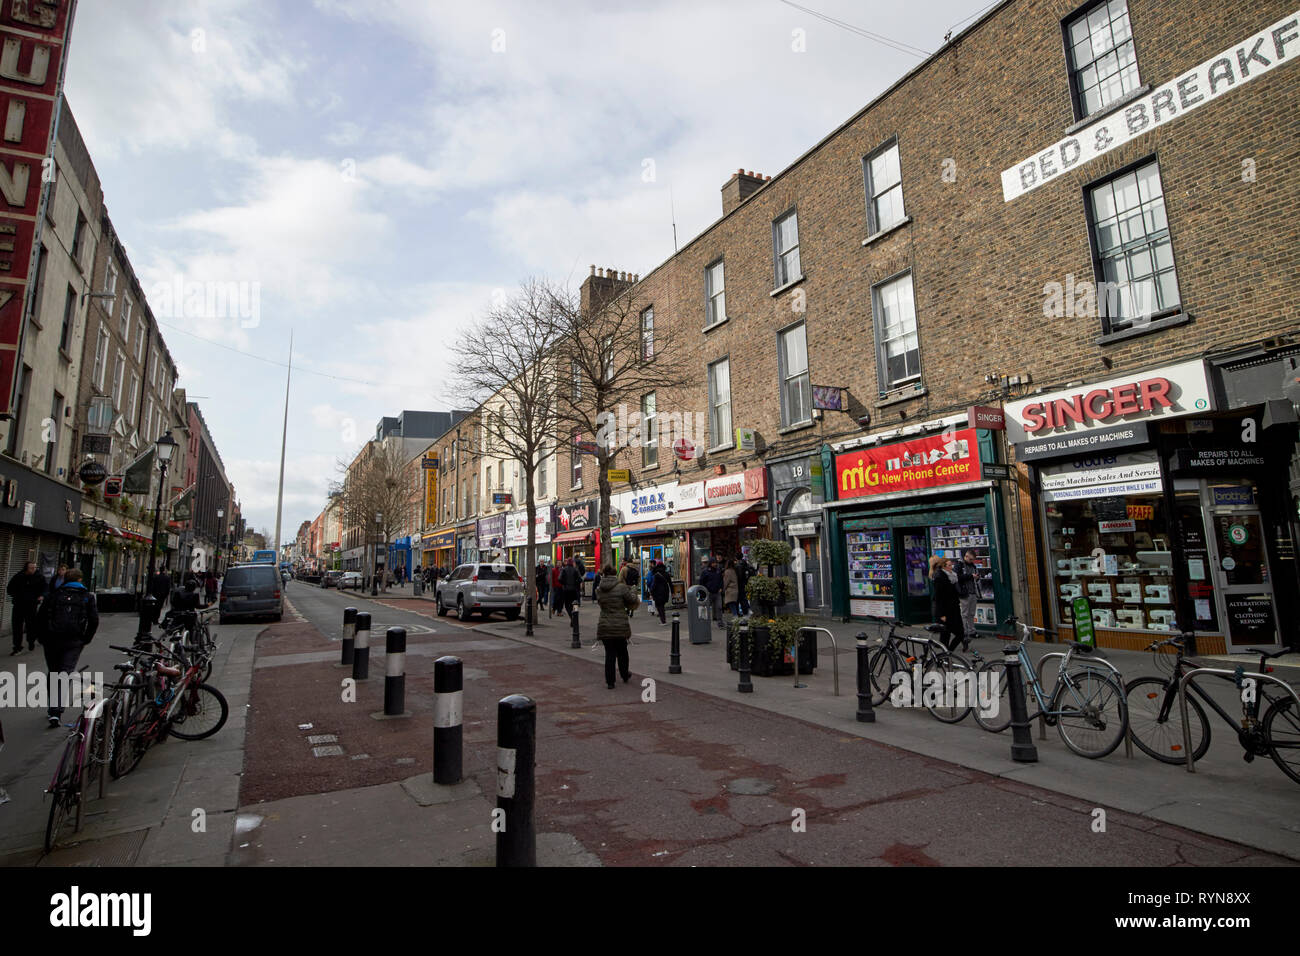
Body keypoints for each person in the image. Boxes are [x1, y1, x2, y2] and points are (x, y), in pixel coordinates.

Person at [36, 568, 98, 727]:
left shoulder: (54, 595)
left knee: (54, 671)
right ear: (80, 580)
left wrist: (41, 637)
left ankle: (52, 705)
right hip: (74, 642)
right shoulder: (87, 597)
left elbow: (40, 617)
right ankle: (56, 711)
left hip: (51, 640)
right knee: (65, 673)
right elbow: (94, 620)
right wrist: (85, 639)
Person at [595, 564, 638, 689]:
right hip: (620, 625)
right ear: (615, 574)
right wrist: (634, 590)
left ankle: (610, 682)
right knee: (622, 652)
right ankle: (624, 674)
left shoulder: (599, 589)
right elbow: (631, 600)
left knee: (610, 654)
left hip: (605, 625)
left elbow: (600, 602)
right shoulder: (621, 588)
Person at [929, 555, 965, 653]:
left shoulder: (952, 576)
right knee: (947, 634)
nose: (951, 567)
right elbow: (939, 597)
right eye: (949, 565)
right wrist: (941, 614)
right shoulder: (940, 577)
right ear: (944, 566)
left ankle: (948, 652)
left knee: (959, 633)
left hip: (954, 608)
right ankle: (946, 655)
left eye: (951, 565)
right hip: (946, 611)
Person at [7, 561, 45, 655]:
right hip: (19, 605)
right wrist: (17, 595)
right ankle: (17, 646)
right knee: (17, 626)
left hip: (31, 605)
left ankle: (31, 641)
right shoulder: (19, 577)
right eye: (31, 568)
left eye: (35, 567)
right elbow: (10, 588)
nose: (33, 569)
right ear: (26, 568)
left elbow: (44, 588)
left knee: (31, 625)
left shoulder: (39, 577)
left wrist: (41, 595)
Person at [955, 550, 984, 653]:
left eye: (973, 560)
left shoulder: (973, 566)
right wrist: (971, 576)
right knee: (964, 613)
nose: (972, 561)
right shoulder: (959, 565)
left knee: (971, 613)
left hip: (973, 592)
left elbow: (975, 576)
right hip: (964, 593)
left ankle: (972, 631)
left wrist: (977, 577)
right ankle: (964, 632)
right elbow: (958, 577)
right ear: (966, 556)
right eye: (970, 559)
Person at [700, 560, 724, 628]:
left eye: (715, 563)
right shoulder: (705, 572)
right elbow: (701, 582)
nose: (715, 564)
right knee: (705, 608)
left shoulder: (718, 571)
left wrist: (721, 588)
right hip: (709, 593)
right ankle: (704, 623)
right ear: (710, 563)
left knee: (719, 607)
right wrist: (704, 591)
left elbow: (721, 580)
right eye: (713, 563)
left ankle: (720, 623)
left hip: (717, 592)